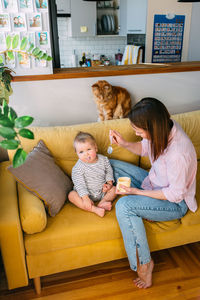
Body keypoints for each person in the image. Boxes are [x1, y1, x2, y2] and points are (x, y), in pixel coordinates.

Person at [109, 97, 197, 289]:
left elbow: (174, 195)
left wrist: (137, 193)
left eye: (138, 131)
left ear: (152, 127)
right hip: (153, 182)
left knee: (125, 205)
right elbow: (144, 148)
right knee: (109, 164)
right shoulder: (165, 128)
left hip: (173, 203)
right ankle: (111, 197)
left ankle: (145, 264)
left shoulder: (178, 154)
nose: (136, 133)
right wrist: (123, 143)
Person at [68, 131, 116, 217]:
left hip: (102, 191)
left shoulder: (104, 159)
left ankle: (102, 202)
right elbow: (79, 184)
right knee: (71, 195)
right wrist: (85, 198)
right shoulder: (78, 167)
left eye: (89, 149)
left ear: (96, 148)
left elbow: (109, 170)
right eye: (81, 152)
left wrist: (109, 184)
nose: (86, 154)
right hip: (86, 195)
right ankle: (94, 209)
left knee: (115, 189)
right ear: (77, 154)